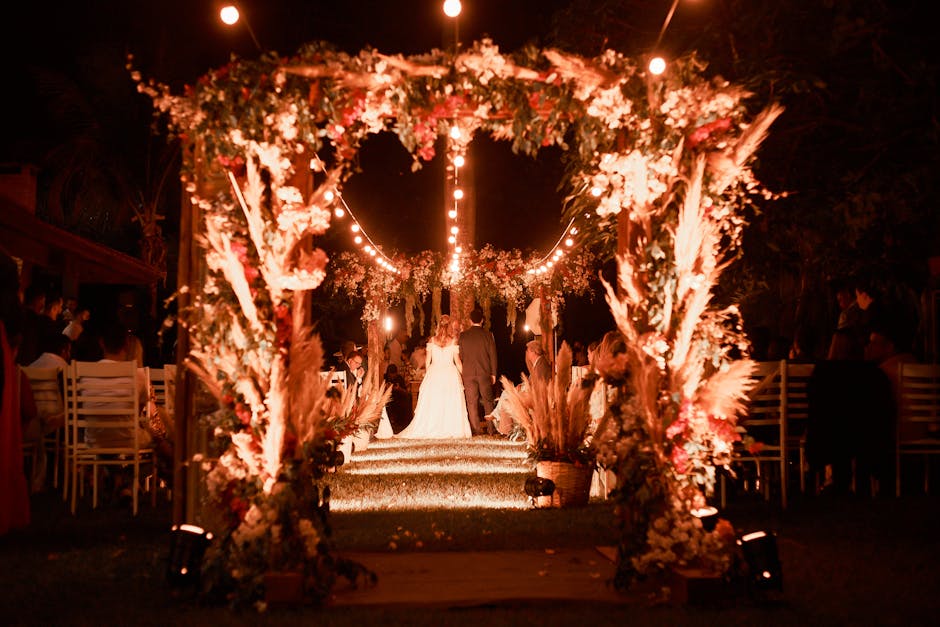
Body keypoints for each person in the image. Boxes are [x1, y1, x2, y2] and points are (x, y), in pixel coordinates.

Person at [397, 314, 471, 439]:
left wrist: (427, 373)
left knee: (435, 400)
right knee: (449, 400)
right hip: (450, 374)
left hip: (435, 373)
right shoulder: (453, 341)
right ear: (450, 327)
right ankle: (450, 427)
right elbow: (457, 361)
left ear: (438, 325)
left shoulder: (432, 340)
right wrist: (465, 375)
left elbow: (428, 361)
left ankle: (433, 425)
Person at [489, 340, 552, 436]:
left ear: (533, 352)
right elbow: (532, 381)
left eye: (528, 351)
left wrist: (524, 390)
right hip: (532, 391)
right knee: (506, 394)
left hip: (536, 396)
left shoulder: (541, 364)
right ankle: (500, 421)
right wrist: (522, 385)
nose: (526, 354)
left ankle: (497, 417)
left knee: (507, 395)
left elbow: (537, 384)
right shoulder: (538, 363)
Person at [459, 307, 497, 436]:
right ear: (482, 320)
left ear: (470, 321)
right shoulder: (487, 335)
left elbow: (461, 356)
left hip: (468, 373)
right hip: (484, 372)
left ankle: (476, 429)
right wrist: (494, 373)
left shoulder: (463, 336)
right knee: (488, 401)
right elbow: (493, 355)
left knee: (471, 402)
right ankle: (491, 429)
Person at [383, 363, 413, 433]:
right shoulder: (385, 378)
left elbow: (406, 393)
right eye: (391, 375)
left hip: (399, 398)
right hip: (389, 398)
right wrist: (386, 388)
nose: (392, 377)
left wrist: (399, 389)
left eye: (394, 375)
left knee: (406, 400)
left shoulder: (399, 378)